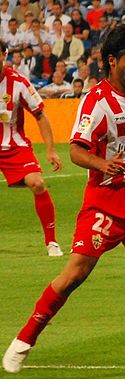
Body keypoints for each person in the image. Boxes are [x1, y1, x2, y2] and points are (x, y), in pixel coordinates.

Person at [2, 25, 125, 374]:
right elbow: (77, 150)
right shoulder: (96, 103)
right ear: (111, 61)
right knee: (75, 274)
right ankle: (24, 339)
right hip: (106, 200)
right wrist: (102, 162)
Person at [0, 40, 63, 257]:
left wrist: (51, 150)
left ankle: (52, 242)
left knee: (37, 183)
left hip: (15, 146)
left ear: (4, 55)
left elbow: (40, 115)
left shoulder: (18, 83)